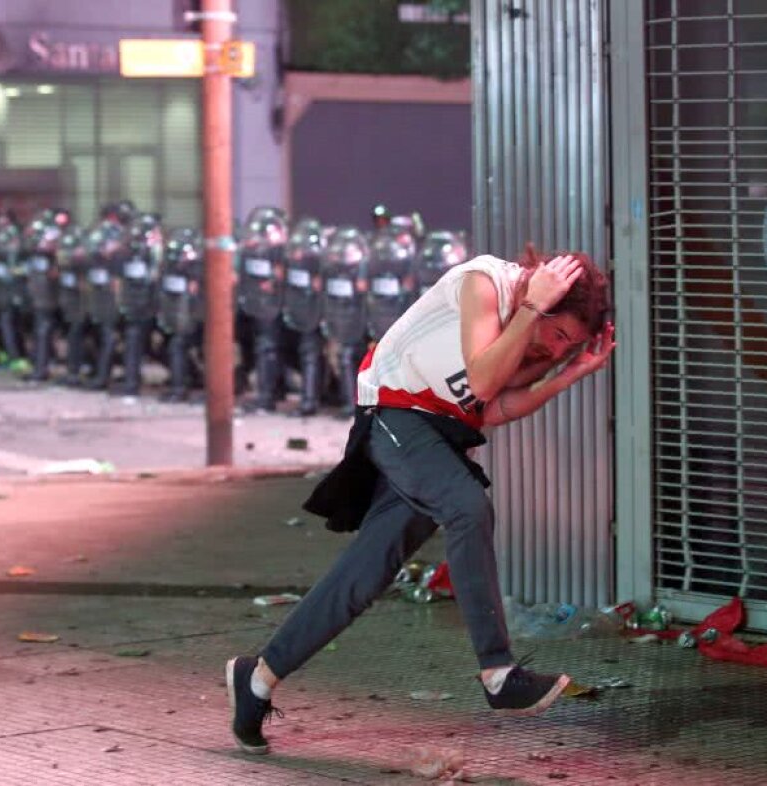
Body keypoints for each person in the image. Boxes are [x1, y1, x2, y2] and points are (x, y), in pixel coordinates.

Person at [224, 245, 615, 755]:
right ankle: (499, 673)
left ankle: (257, 679)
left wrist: (568, 373)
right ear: (543, 293)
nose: (556, 347)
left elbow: (493, 407)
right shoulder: (485, 283)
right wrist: (530, 311)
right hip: (395, 414)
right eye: (559, 334)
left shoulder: (527, 330)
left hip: (435, 435)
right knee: (467, 505)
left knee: (364, 576)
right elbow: (481, 379)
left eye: (567, 344)